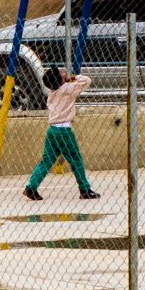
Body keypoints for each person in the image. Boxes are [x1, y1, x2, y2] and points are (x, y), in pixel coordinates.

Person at [23, 65, 99, 202]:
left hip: (52, 131)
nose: (63, 72)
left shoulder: (52, 93)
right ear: (60, 80)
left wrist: (65, 80)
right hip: (64, 131)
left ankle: (31, 187)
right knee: (76, 159)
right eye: (61, 73)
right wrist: (73, 77)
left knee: (47, 160)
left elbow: (60, 85)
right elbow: (87, 80)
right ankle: (85, 189)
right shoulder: (67, 89)